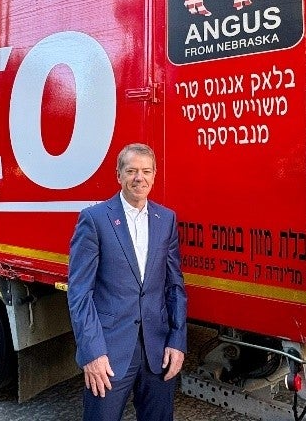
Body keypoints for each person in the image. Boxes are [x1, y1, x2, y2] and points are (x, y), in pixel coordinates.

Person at [67, 143, 187, 421]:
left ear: (155, 175)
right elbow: (80, 293)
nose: (139, 178)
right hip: (109, 354)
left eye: (146, 171)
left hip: (158, 351)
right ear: (118, 175)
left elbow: (174, 287)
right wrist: (92, 353)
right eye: (131, 170)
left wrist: (177, 341)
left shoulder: (166, 219)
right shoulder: (95, 219)